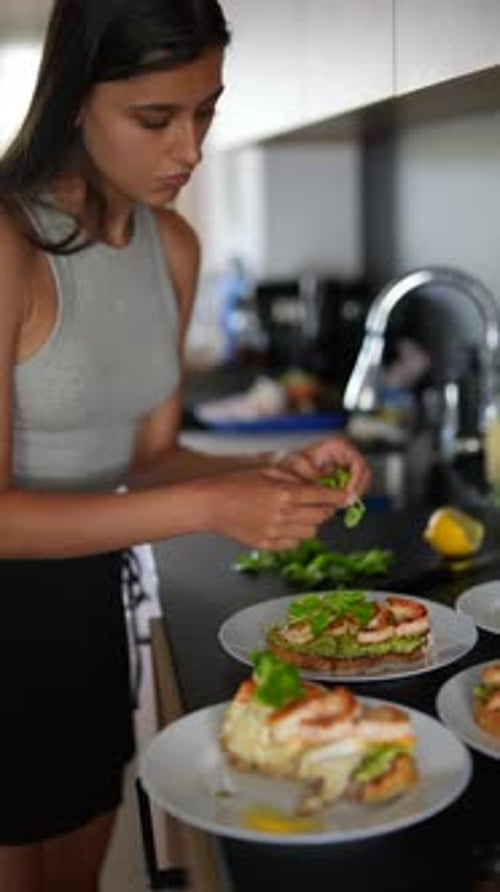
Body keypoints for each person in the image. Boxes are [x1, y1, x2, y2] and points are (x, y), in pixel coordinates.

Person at [0, 1, 371, 889]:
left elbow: (150, 457)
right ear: (75, 100)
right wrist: (209, 505)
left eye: (205, 111)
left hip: (85, 609)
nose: (190, 148)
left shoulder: (170, 245)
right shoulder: (10, 244)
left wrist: (268, 471)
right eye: (156, 118)